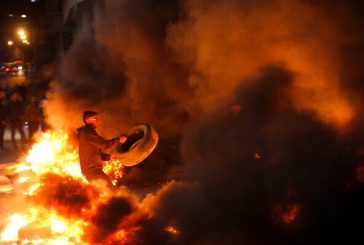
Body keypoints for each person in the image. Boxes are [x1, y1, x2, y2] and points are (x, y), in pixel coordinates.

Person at [77, 111, 127, 190]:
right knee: (111, 191)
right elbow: (104, 145)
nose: (98, 121)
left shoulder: (86, 133)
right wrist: (119, 139)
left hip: (91, 171)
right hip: (93, 171)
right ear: (88, 120)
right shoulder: (88, 132)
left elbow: (95, 153)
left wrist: (109, 157)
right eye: (95, 119)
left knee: (103, 194)